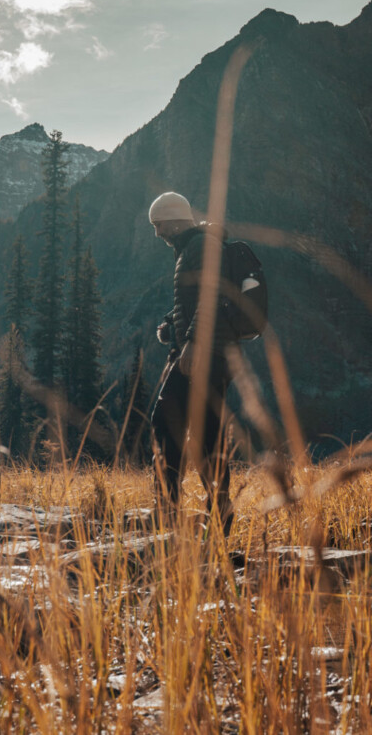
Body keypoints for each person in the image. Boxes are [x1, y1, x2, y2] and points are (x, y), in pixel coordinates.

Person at [147, 191, 236, 533]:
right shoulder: (193, 248)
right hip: (208, 354)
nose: (157, 233)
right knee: (207, 435)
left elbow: (211, 295)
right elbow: (192, 300)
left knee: (165, 420)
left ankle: (167, 508)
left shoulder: (201, 247)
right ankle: (219, 516)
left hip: (203, 355)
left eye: (158, 225)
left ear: (173, 219)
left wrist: (194, 343)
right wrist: (172, 325)